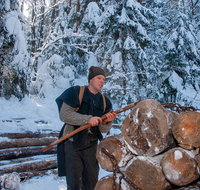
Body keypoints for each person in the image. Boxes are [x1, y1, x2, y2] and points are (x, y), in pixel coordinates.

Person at [55, 66, 117, 190]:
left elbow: (103, 130)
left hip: (91, 147)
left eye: (104, 79)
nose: (102, 82)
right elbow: (64, 115)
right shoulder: (75, 92)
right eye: (99, 78)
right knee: (74, 184)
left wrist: (107, 122)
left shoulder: (105, 102)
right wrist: (88, 119)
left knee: (91, 183)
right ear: (90, 80)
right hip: (72, 143)